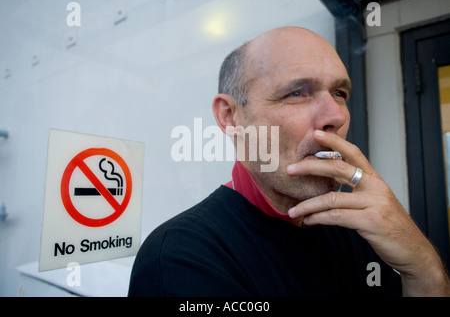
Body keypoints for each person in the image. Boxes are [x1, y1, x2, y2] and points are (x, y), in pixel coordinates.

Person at [128, 26, 450, 296]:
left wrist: (423, 267)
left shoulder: (350, 226)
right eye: (297, 93)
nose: (336, 116)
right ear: (230, 117)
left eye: (340, 93)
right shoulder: (182, 256)